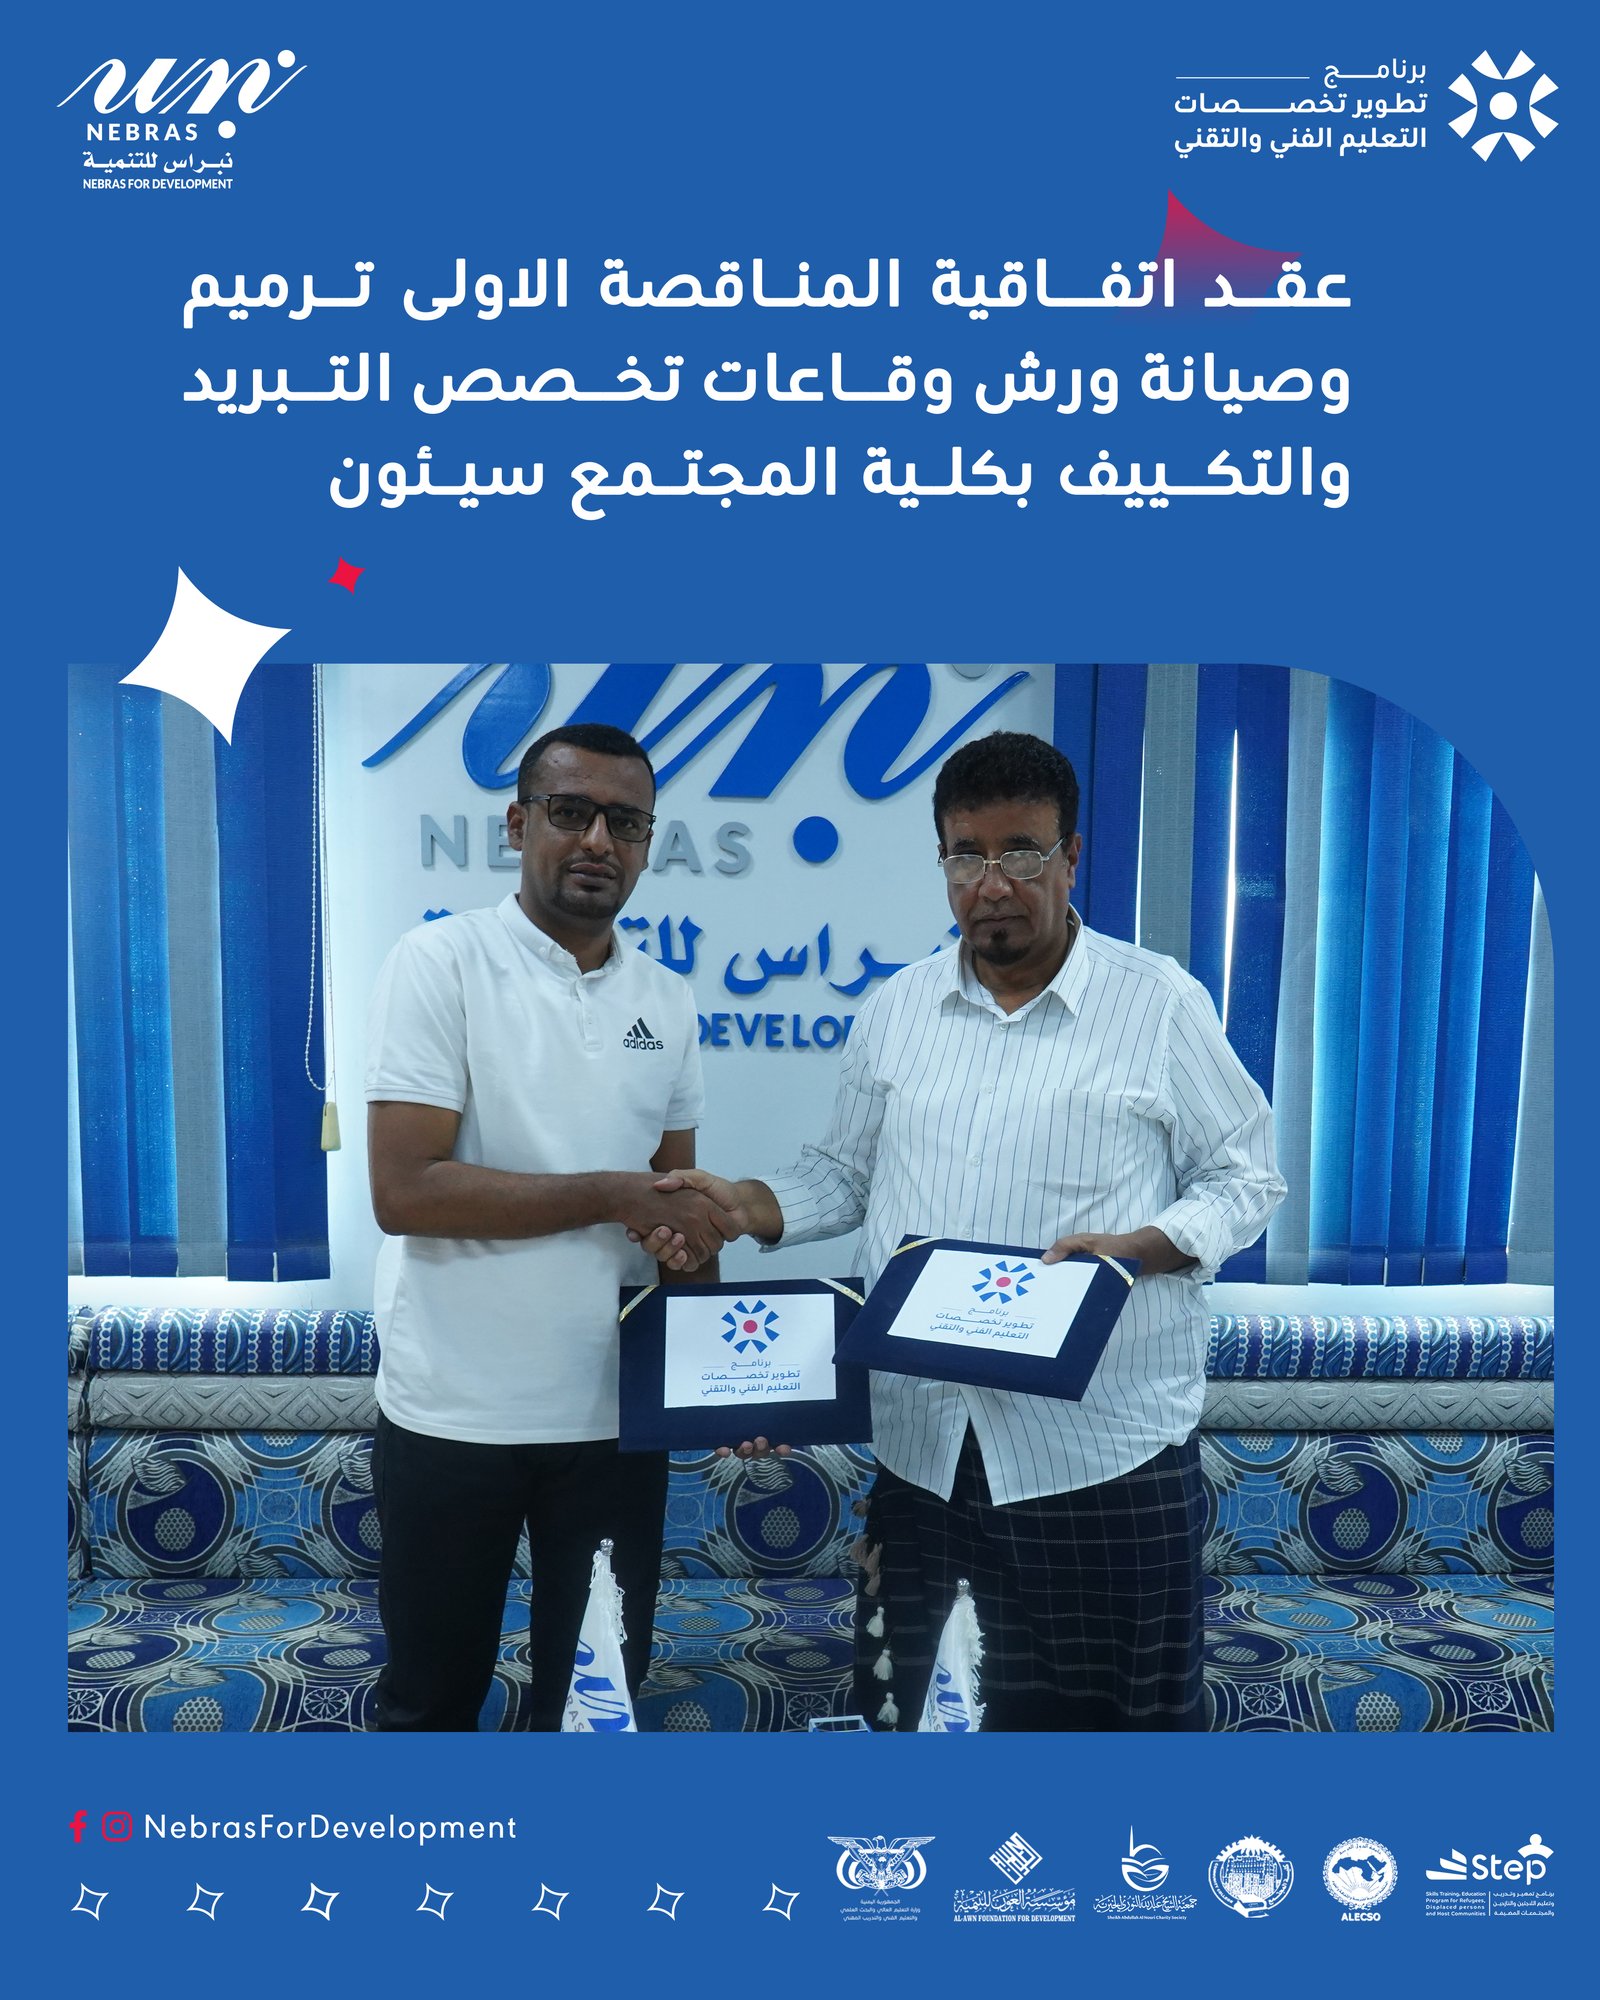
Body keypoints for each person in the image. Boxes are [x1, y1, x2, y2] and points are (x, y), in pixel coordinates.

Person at [645, 730, 1285, 1730]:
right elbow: (843, 1175)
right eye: (966, 855)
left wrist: (1136, 1249)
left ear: (1071, 857)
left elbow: (1245, 1176)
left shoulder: (1156, 1002)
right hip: (925, 1454)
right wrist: (739, 1204)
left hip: (1101, 1453)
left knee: (1126, 1743)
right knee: (921, 1726)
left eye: (1021, 852)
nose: (992, 884)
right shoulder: (896, 1010)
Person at [363, 722, 734, 1730]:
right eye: (571, 812)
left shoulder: (667, 998)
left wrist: (724, 1372)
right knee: (430, 1708)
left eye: (626, 821)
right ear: (518, 823)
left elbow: (674, 1209)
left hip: (614, 1423)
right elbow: (405, 1190)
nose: (598, 840)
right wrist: (615, 1192)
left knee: (593, 1711)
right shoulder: (440, 962)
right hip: (454, 1416)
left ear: (648, 842)